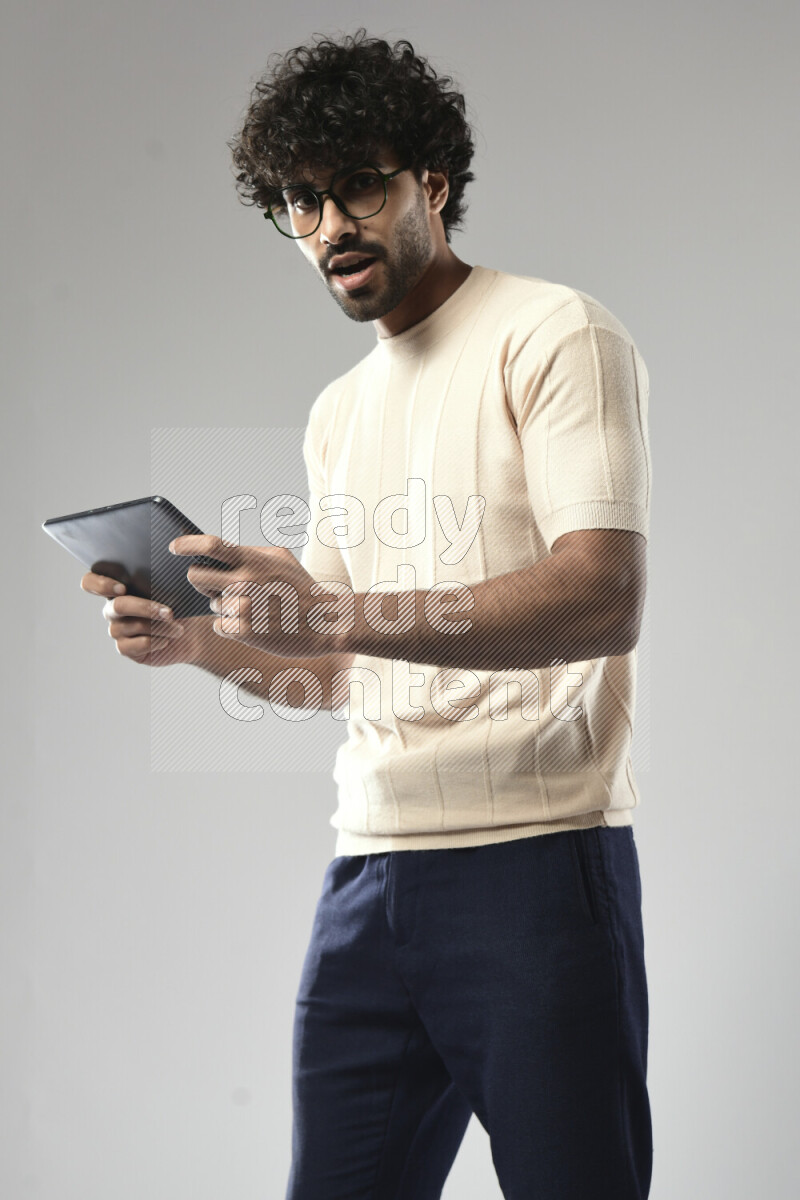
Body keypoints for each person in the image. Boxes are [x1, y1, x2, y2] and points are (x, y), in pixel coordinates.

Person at [81, 29, 654, 1200]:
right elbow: (343, 668)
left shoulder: (554, 333)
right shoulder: (338, 409)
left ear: (429, 184)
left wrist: (335, 605)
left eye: (358, 187)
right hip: (369, 877)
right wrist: (200, 643)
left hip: (536, 867)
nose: (330, 225)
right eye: (299, 201)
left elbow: (600, 594)